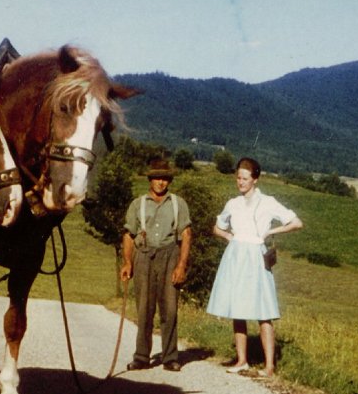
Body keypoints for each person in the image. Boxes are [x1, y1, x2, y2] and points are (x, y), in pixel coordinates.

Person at [207, 157, 303, 377]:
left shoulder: (268, 202)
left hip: (256, 256)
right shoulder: (233, 203)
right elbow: (216, 227)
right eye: (238, 178)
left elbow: (296, 223)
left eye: (245, 178)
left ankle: (269, 366)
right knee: (236, 309)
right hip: (235, 256)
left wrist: (271, 232)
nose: (240, 182)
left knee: (263, 310)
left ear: (255, 179)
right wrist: (229, 236)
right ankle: (242, 360)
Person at [120, 158, 193, 371]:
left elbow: (186, 235)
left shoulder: (178, 204)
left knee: (169, 309)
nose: (161, 182)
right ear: (150, 179)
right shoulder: (138, 204)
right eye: (157, 178)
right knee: (144, 308)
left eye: (165, 178)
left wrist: (181, 266)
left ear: (169, 180)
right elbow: (128, 234)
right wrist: (127, 262)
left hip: (170, 255)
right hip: (143, 256)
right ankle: (141, 356)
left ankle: (170, 357)